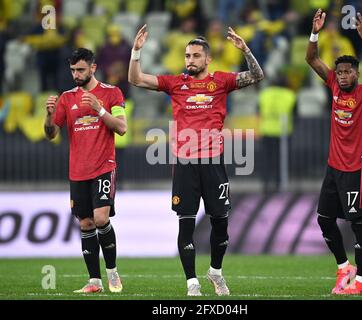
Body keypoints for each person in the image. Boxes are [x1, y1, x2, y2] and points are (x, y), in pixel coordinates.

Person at [128, 25, 264, 296]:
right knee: (186, 223)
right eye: (187, 56)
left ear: (207, 59)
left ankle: (216, 271)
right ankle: (192, 282)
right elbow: (136, 79)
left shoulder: (221, 81)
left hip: (214, 162)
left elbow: (258, 75)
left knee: (221, 223)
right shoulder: (175, 83)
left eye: (195, 56)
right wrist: (136, 51)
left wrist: (245, 50)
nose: (189, 60)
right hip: (185, 164)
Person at [306, 9, 362, 295]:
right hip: (334, 167)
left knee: (358, 224)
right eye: (339, 72)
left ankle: (359, 282)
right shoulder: (334, 86)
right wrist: (315, 33)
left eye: (348, 71)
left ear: (356, 73)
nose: (343, 76)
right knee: (324, 219)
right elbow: (311, 58)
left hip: (358, 167)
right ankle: (343, 267)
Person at [44, 48, 127, 293]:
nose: (76, 75)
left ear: (93, 68)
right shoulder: (67, 98)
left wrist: (100, 109)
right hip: (77, 172)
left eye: (80, 70)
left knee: (101, 218)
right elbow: (51, 134)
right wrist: (49, 117)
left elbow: (122, 127)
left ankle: (112, 272)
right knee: (86, 224)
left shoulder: (112, 93)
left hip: (103, 166)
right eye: (72, 70)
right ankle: (94, 282)